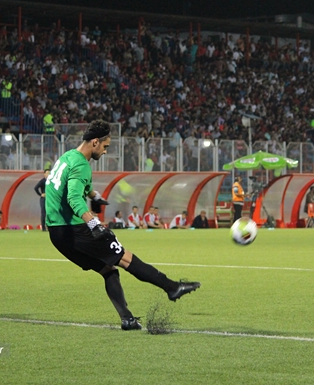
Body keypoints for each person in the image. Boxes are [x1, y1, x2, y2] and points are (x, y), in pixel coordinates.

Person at [45, 120, 200, 331]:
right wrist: (93, 223)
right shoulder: (81, 165)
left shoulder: (68, 157)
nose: (105, 151)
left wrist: (94, 195)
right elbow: (73, 197)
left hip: (57, 234)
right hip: (75, 229)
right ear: (95, 142)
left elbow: (71, 185)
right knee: (125, 258)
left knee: (108, 270)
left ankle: (127, 319)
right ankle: (172, 287)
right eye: (105, 146)